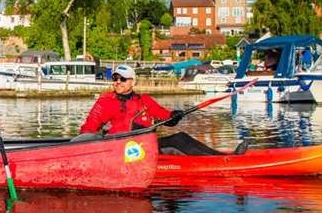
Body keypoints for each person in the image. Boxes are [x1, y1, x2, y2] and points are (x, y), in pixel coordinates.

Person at [77, 64, 248, 156]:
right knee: (176, 143)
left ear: (133, 82)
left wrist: (174, 116)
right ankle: (225, 159)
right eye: (115, 78)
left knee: (180, 136)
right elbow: (89, 128)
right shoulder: (106, 101)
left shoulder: (144, 100)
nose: (118, 82)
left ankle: (221, 155)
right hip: (120, 151)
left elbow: (164, 115)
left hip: (144, 147)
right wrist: (80, 149)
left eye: (123, 79)